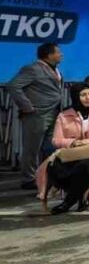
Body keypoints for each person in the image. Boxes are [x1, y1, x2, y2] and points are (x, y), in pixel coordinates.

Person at [38, 82, 89, 213]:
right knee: (54, 167)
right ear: (76, 97)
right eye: (83, 95)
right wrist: (74, 142)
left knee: (85, 166)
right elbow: (56, 140)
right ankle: (81, 196)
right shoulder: (64, 115)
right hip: (74, 152)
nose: (88, 98)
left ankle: (68, 202)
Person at [5, 42, 65, 189]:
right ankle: (28, 179)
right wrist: (27, 106)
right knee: (32, 148)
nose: (61, 54)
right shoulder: (33, 69)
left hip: (54, 112)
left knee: (50, 147)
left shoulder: (54, 69)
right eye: (58, 52)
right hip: (37, 114)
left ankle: (47, 175)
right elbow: (13, 85)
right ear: (49, 55)